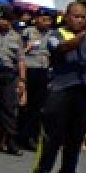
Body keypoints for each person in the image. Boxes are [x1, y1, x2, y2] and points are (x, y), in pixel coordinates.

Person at [29, 2, 86, 173]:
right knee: (52, 135)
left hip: (84, 88)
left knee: (76, 136)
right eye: (76, 16)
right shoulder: (56, 34)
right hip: (61, 88)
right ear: (66, 17)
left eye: (83, 17)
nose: (80, 20)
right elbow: (62, 49)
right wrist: (84, 33)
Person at [0, 7, 25, 154]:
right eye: (1, 19)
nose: (3, 22)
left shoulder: (16, 37)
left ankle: (11, 142)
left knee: (9, 108)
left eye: (7, 20)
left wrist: (22, 80)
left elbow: (21, 60)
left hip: (9, 75)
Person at [18, 11, 53, 150]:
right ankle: (18, 137)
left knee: (37, 108)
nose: (47, 22)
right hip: (28, 69)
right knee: (23, 105)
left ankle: (31, 137)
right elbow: (19, 52)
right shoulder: (27, 32)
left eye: (49, 20)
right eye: (44, 19)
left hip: (43, 71)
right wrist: (28, 47)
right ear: (37, 19)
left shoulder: (52, 34)